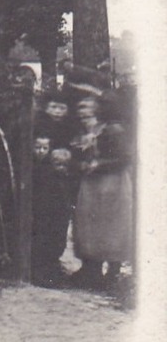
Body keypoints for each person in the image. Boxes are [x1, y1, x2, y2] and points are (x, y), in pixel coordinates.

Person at [67, 72, 133, 290]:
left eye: (90, 106)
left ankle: (113, 272)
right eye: (82, 107)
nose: (85, 111)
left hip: (112, 183)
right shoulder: (88, 131)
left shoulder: (114, 130)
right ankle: (91, 269)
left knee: (113, 225)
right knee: (89, 224)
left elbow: (124, 158)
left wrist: (100, 164)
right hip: (92, 185)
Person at [30, 95, 78, 287]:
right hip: (43, 184)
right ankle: (40, 268)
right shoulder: (38, 125)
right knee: (43, 224)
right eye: (54, 107)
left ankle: (52, 265)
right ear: (45, 108)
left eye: (62, 107)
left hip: (62, 184)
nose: (58, 111)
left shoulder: (68, 128)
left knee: (59, 224)